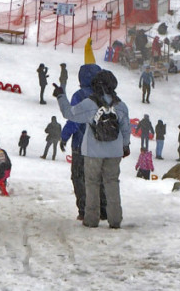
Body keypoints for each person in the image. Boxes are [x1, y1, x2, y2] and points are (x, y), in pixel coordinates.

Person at [55, 69, 131, 229]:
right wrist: (125, 146)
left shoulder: (90, 104)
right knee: (112, 183)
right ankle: (115, 219)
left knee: (92, 183)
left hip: (93, 151)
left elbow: (69, 114)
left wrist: (61, 96)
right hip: (114, 152)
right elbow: (126, 129)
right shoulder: (121, 106)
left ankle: (91, 218)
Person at [59, 41, 107, 222]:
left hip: (81, 144)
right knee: (98, 177)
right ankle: (103, 208)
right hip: (101, 145)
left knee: (79, 177)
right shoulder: (105, 95)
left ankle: (85, 208)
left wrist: (64, 137)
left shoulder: (80, 96)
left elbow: (74, 120)